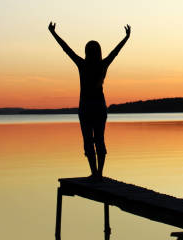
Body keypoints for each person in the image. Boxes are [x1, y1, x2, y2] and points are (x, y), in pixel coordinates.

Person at [48, 22, 131, 181]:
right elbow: (116, 52)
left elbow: (66, 49)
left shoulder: (83, 64)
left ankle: (95, 173)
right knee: (98, 139)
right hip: (98, 107)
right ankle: (98, 173)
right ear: (99, 52)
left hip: (87, 108)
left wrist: (53, 33)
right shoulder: (101, 64)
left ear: (87, 52)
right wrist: (126, 37)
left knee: (89, 140)